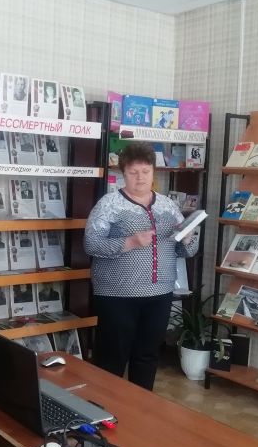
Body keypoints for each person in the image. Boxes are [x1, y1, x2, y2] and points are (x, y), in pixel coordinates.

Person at [84, 143, 198, 391]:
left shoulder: (168, 206)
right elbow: (91, 244)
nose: (140, 178)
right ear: (123, 173)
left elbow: (186, 251)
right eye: (133, 172)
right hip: (117, 295)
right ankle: (104, 407)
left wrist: (188, 239)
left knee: (147, 356)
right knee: (112, 358)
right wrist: (130, 242)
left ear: (153, 172)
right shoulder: (110, 204)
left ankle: (141, 407)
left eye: (146, 171)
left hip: (160, 293)